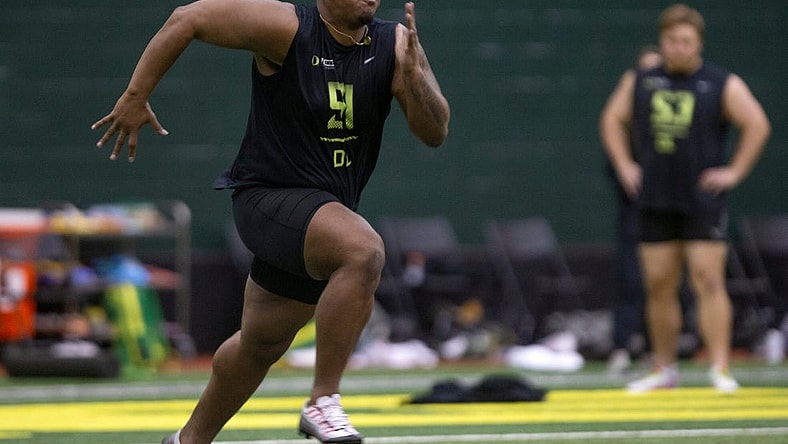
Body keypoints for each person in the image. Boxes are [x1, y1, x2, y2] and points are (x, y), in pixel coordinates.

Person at [92, 0, 450, 443]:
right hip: (268, 200)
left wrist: (415, 81)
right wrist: (135, 95)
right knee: (364, 251)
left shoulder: (395, 43)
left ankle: (187, 440)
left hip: (320, 219)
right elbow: (189, 18)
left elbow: (435, 132)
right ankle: (324, 400)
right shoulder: (287, 27)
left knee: (259, 345)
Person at [600, 4, 770, 393]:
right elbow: (611, 119)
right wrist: (625, 163)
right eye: (672, 40)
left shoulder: (720, 82)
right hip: (654, 197)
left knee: (708, 279)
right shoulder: (640, 80)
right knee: (659, 283)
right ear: (662, 41)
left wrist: (735, 171)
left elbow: (757, 123)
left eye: (686, 42)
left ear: (699, 44)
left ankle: (720, 366)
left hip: (701, 200)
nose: (678, 48)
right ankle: (664, 368)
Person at [603, 45, 663, 375]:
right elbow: (610, 128)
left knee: (666, 280)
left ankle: (660, 348)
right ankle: (622, 345)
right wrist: (626, 168)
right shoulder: (624, 119)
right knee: (630, 276)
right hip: (636, 209)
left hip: (671, 208)